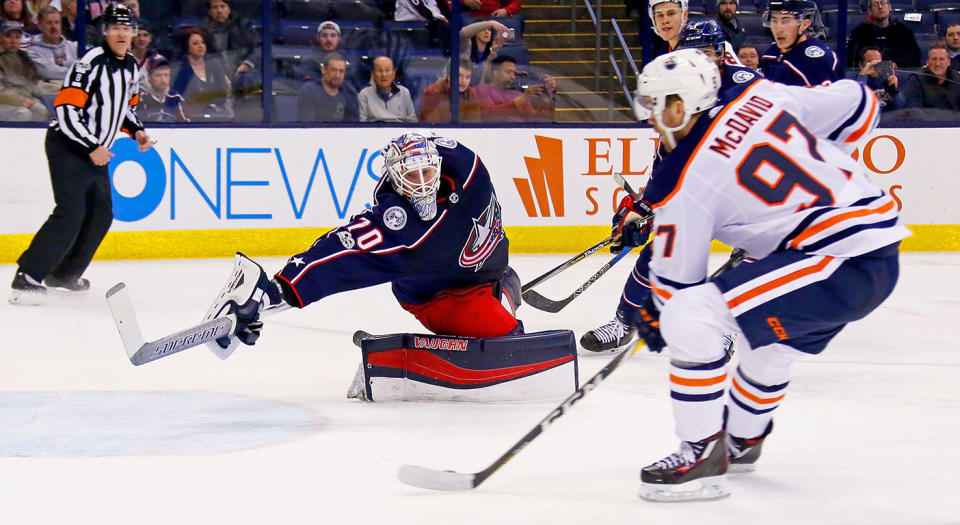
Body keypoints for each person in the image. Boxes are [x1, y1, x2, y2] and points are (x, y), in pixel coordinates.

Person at [621, 48, 908, 501]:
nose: (650, 118)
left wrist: (657, 312)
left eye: (654, 106)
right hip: (874, 252)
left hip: (836, 259)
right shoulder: (759, 94)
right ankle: (742, 440)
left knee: (689, 315)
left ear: (679, 106)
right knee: (770, 342)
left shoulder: (686, 179)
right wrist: (824, 174)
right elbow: (859, 101)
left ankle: (701, 452)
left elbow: (678, 285)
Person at [202, 133, 522, 355]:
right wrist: (275, 293)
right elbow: (342, 249)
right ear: (395, 178)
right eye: (412, 176)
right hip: (438, 295)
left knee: (499, 311)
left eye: (427, 171)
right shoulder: (397, 221)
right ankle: (503, 295)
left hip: (487, 264)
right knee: (509, 341)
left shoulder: (467, 167)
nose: (423, 182)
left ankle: (503, 286)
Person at [579, 21, 759, 354]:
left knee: (753, 257)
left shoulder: (744, 88)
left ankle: (724, 329)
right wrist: (645, 208)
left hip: (750, 197)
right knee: (662, 247)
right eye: (693, 55)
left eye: (706, 54)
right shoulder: (679, 97)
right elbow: (668, 159)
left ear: (721, 55)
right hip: (707, 192)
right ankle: (623, 322)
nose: (700, 63)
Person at [10, 4, 152, 305]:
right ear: (106, 32)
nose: (122, 34)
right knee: (71, 212)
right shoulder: (89, 64)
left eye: (127, 29)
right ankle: (27, 277)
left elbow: (126, 107)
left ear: (134, 33)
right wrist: (91, 146)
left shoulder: (130, 67)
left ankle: (64, 274)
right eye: (116, 28)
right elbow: (65, 110)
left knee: (101, 215)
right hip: (69, 146)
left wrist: (136, 131)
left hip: (95, 151)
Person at [759, 0, 840, 87]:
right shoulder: (771, 53)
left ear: (804, 25)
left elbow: (825, 98)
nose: (778, 29)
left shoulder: (816, 61)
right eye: (774, 21)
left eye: (786, 21)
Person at [171, 28, 233, 121]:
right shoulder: (180, 68)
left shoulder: (214, 64)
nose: (201, 46)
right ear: (187, 47)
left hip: (215, 111)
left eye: (203, 43)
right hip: (188, 114)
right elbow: (178, 95)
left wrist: (210, 105)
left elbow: (222, 92)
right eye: (195, 43)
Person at [472, 55, 556, 122]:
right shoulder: (481, 90)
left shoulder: (518, 95)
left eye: (514, 73)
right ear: (496, 73)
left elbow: (535, 122)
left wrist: (547, 96)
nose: (513, 77)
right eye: (508, 72)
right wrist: (523, 99)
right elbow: (488, 117)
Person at [846, 0, 921, 70]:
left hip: (899, 74)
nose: (880, 7)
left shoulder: (904, 31)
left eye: (883, 3)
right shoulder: (859, 33)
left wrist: (897, 64)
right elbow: (852, 61)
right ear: (869, 11)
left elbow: (915, 59)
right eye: (875, 5)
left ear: (889, 7)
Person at [0, 20, 47, 121]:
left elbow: (33, 84)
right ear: (0, 37)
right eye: (8, 36)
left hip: (25, 100)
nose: (13, 41)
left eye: (17, 37)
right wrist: (21, 101)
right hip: (5, 102)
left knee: (41, 111)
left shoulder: (24, 57)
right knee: (22, 114)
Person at [24, 5, 75, 90]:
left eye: (57, 22)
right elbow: (48, 72)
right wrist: (73, 69)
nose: (54, 27)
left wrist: (63, 64)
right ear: (40, 25)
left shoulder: (73, 47)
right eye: (49, 23)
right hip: (50, 94)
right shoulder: (32, 51)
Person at [296, 52, 358, 122]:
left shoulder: (349, 93)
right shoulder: (308, 90)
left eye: (341, 71)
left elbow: (352, 125)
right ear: (323, 70)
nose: (337, 75)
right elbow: (307, 125)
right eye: (333, 70)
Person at [901, 42, 960, 112]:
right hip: (927, 122)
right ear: (928, 62)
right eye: (934, 59)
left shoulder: (957, 79)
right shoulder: (916, 79)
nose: (937, 64)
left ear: (949, 62)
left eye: (941, 59)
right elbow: (913, 112)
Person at [357, 56, 416, 122]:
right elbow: (361, 123)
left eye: (387, 70)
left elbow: (412, 121)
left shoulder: (404, 92)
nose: (384, 75)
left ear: (393, 74)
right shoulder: (364, 94)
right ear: (373, 74)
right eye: (379, 71)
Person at [460, 19, 509, 86]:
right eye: (483, 29)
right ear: (475, 32)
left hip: (476, 93)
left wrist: (491, 56)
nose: (487, 32)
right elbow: (463, 33)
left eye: (489, 30)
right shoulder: (465, 46)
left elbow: (488, 80)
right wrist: (491, 23)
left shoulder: (491, 54)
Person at [856, 46, 904, 112]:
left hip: (888, 118)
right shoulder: (855, 82)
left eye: (878, 62)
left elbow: (900, 106)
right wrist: (863, 76)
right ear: (861, 65)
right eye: (870, 62)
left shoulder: (888, 80)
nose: (875, 65)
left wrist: (894, 90)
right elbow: (857, 103)